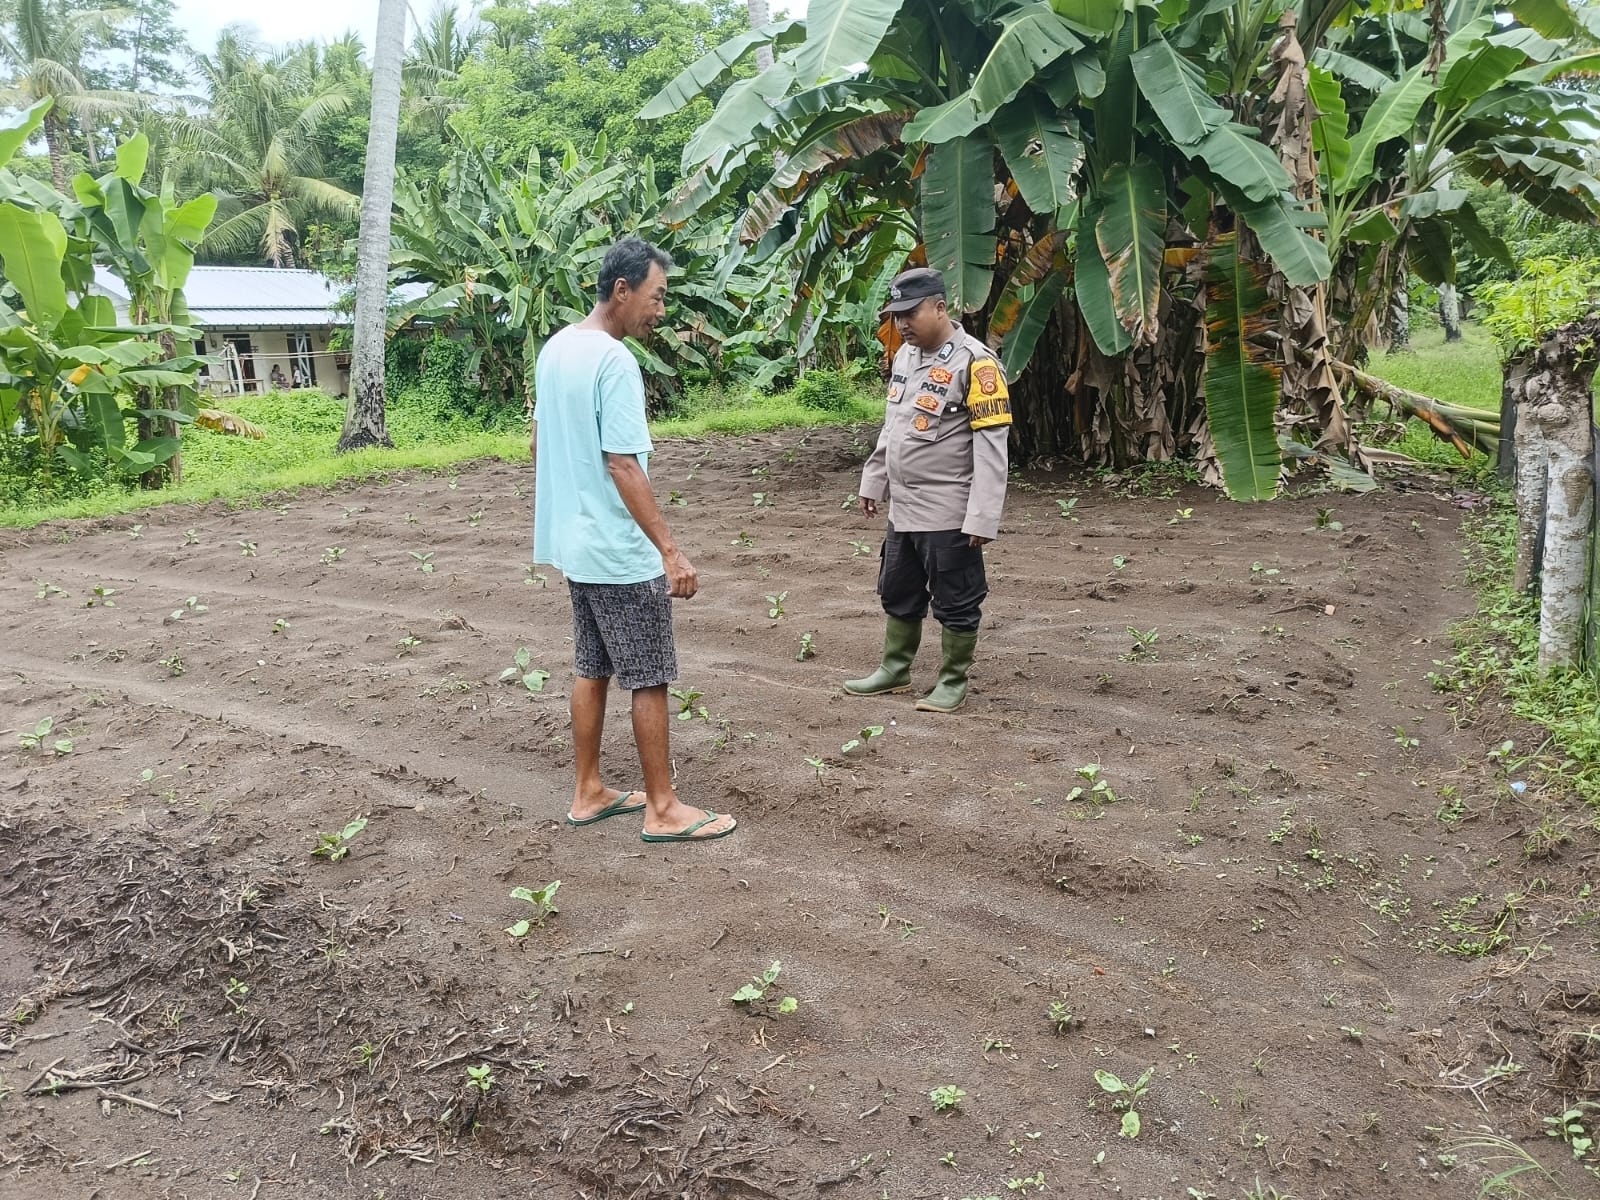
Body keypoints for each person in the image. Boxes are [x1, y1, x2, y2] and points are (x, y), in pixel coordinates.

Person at [531, 237, 737, 843]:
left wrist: (572, 512)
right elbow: (623, 464)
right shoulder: (614, 361)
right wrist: (670, 550)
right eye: (657, 296)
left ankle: (588, 790)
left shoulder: (556, 349)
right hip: (618, 554)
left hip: (577, 547)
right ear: (622, 291)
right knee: (648, 675)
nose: (661, 311)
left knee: (592, 666)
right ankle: (663, 808)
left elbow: (539, 445)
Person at [845, 266, 1011, 713]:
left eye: (910, 313)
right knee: (899, 590)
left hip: (948, 509)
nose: (901, 323)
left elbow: (992, 448)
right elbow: (893, 425)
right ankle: (895, 669)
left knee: (956, 599)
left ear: (940, 307)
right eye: (896, 315)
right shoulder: (905, 356)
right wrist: (874, 479)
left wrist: (981, 517)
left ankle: (952, 681)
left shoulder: (976, 364)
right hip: (904, 508)